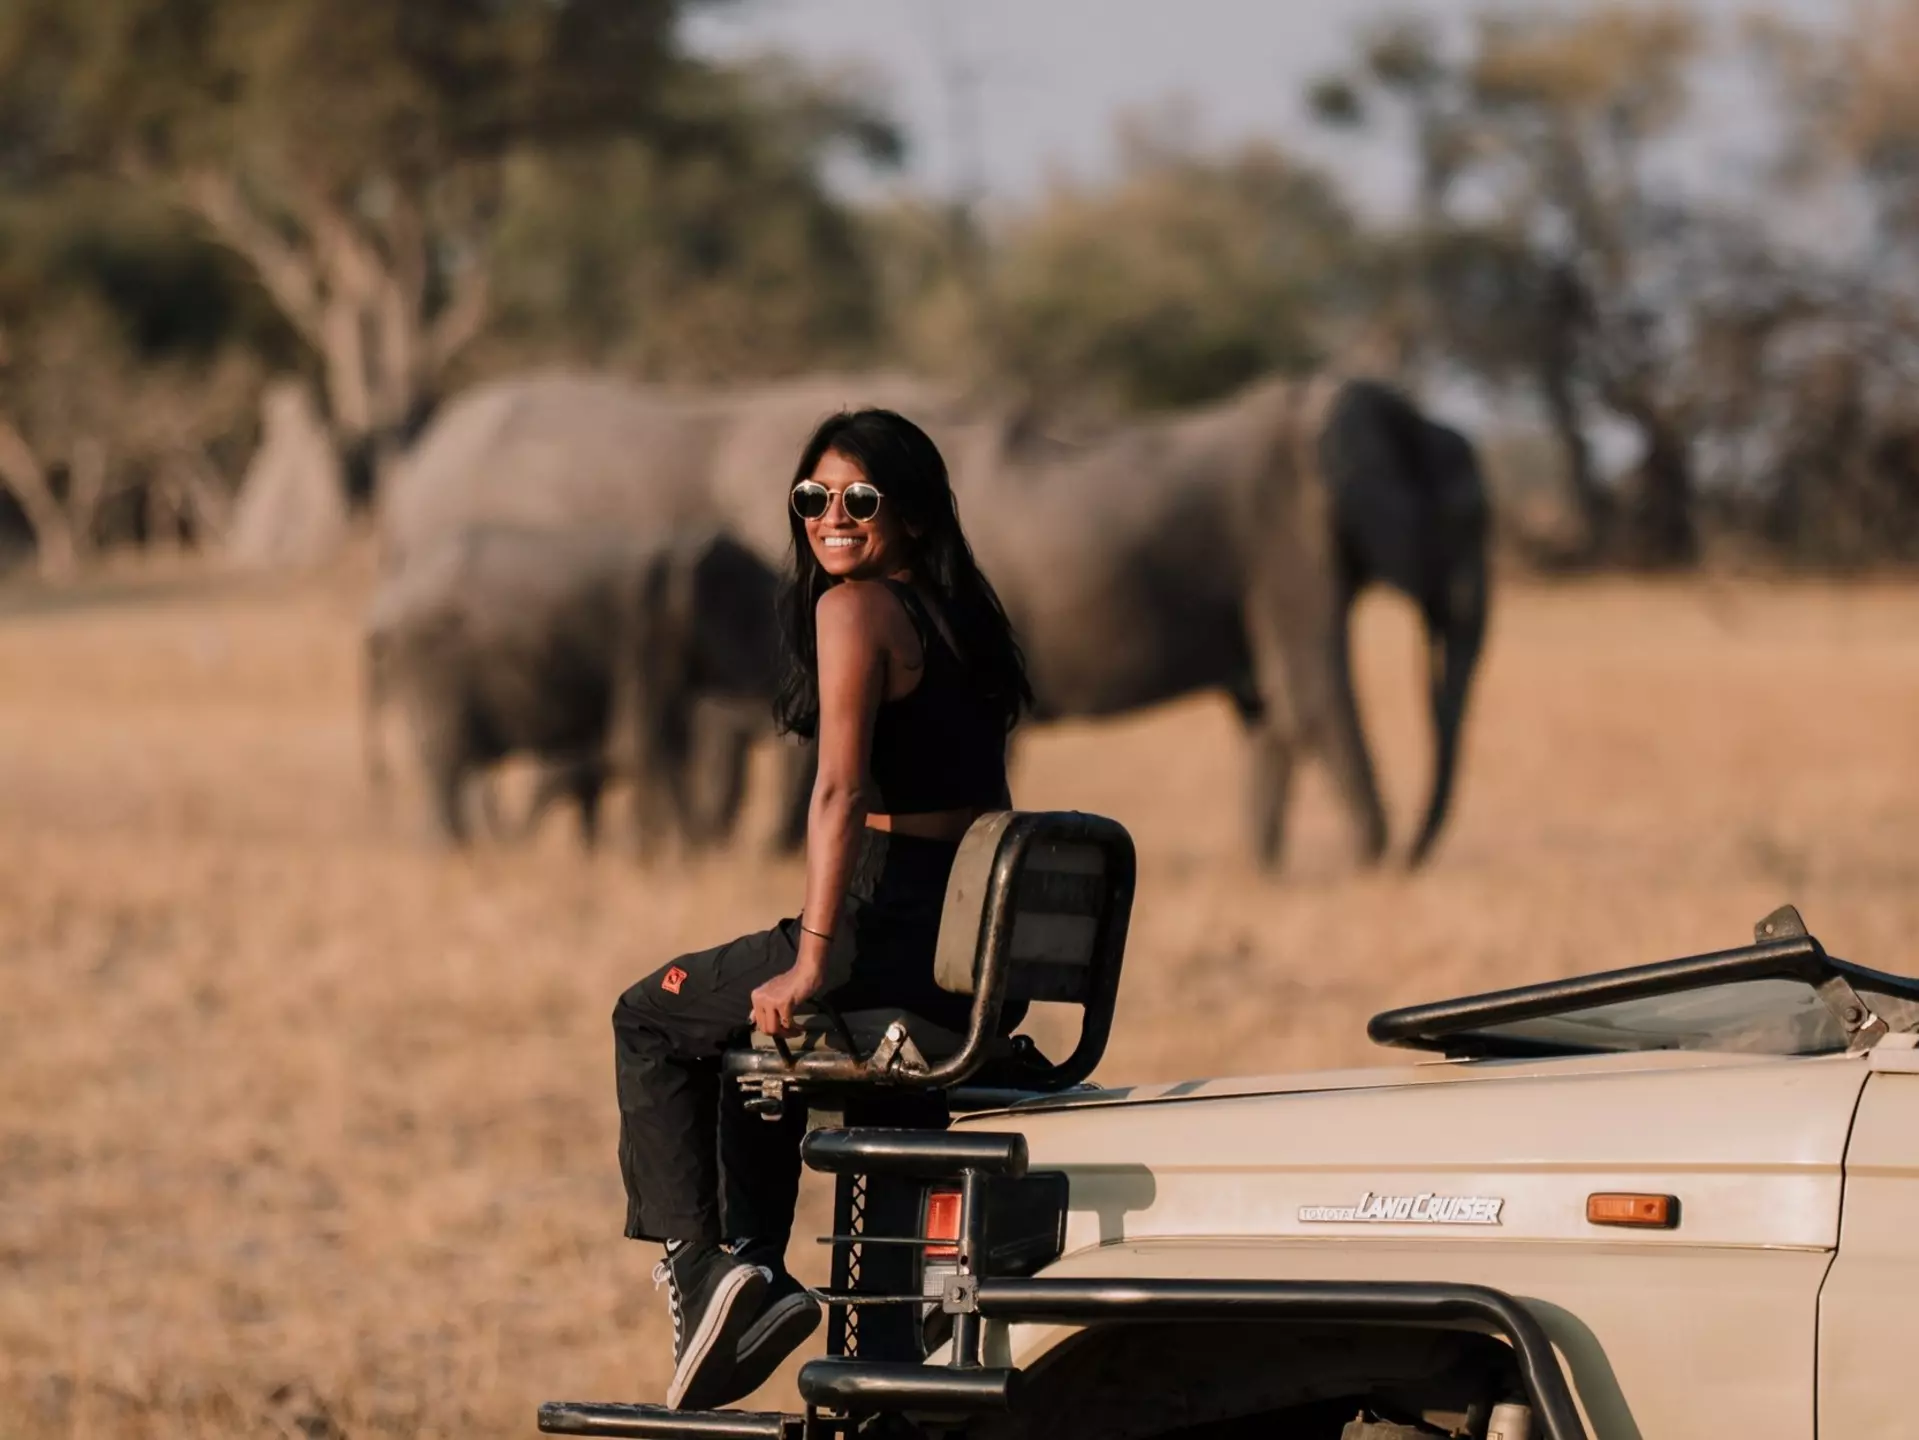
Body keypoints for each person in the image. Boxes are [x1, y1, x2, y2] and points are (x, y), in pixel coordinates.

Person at [611, 409, 1032, 1410]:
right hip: (961, 961)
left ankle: (712, 1272)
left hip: (877, 937)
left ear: (915, 516)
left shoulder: (855, 610)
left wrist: (809, 958)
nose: (830, 517)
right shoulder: (960, 617)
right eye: (812, 499)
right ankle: (765, 1287)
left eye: (859, 499)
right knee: (741, 1029)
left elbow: (839, 792)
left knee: (653, 1016)